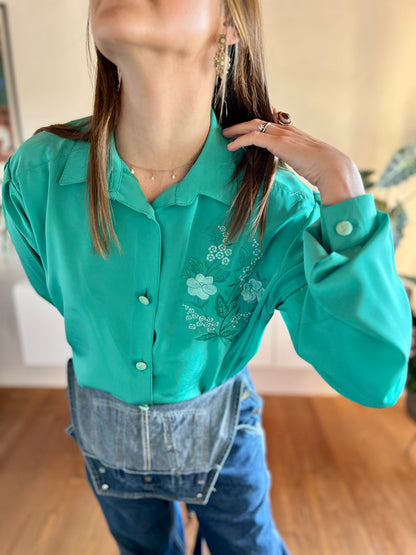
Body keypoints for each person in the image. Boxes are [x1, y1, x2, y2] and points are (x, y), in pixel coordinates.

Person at [1, 1, 412, 554]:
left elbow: (373, 376)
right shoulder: (36, 174)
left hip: (223, 440)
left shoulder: (277, 206)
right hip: (104, 440)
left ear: (230, 24)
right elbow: (64, 295)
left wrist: (342, 188)